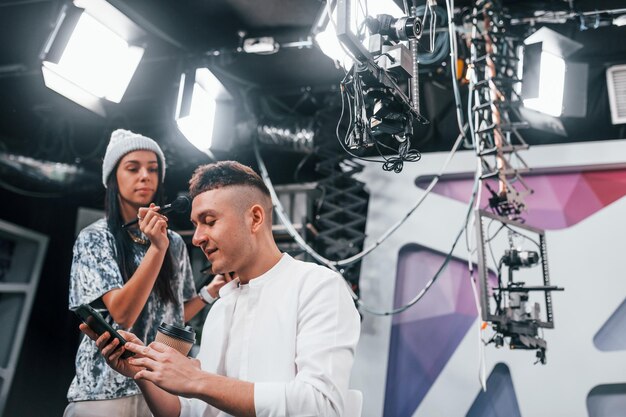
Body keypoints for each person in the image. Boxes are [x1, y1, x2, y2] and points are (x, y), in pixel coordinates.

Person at [82, 160, 361, 417]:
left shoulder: (318, 287)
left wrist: (197, 379)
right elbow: (192, 411)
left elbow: (320, 406)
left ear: (255, 218)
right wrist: (142, 370)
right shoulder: (221, 308)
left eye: (210, 221)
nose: (198, 238)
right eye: (195, 225)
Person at [65, 129, 227, 417]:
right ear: (113, 178)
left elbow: (172, 318)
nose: (145, 176)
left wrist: (208, 293)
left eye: (153, 169)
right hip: (105, 391)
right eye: (133, 168)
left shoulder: (173, 242)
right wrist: (156, 248)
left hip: (163, 390)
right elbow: (124, 315)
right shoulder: (96, 238)